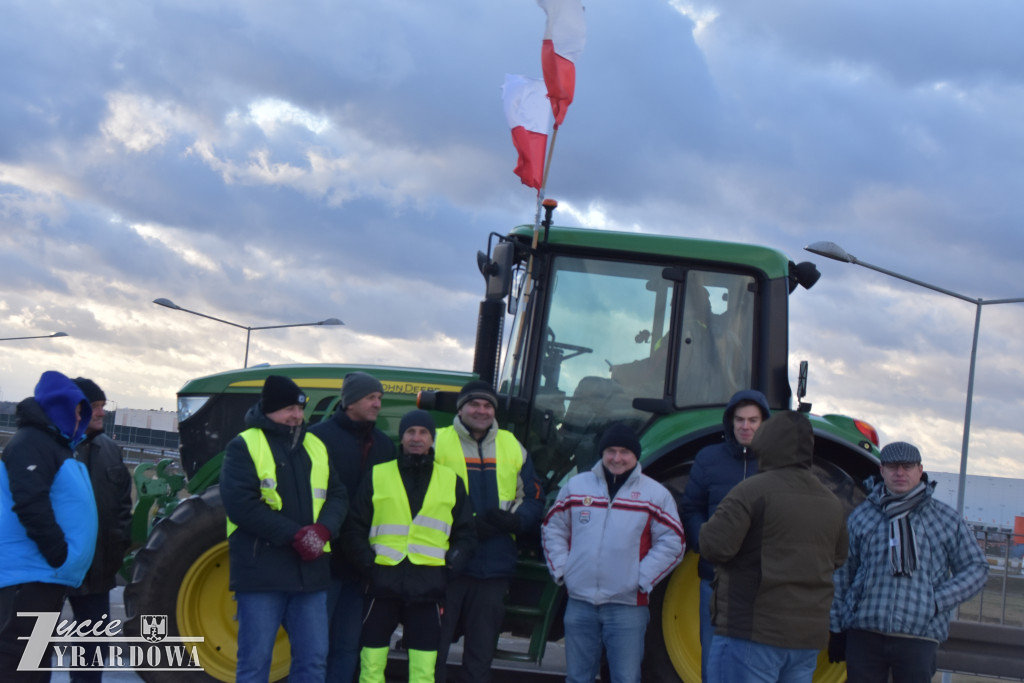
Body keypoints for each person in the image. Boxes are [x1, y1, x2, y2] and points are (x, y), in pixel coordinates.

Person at [700, 411, 847, 683]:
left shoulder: (751, 491)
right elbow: (838, 558)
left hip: (752, 632)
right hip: (806, 638)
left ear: (766, 443)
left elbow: (714, 546)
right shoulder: (832, 501)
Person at [221, 374, 347, 683]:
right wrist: (296, 535)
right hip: (262, 572)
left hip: (311, 575)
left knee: (313, 662)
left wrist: (324, 531)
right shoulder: (245, 445)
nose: (296, 416)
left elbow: (337, 494)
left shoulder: (315, 445)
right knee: (254, 664)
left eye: (300, 409)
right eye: (288, 408)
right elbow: (241, 505)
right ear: (268, 409)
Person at [829, 441, 988, 683]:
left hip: (919, 635)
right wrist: (837, 627)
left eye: (907, 466)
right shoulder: (863, 515)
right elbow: (842, 573)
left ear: (920, 470)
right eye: (892, 466)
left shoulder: (945, 519)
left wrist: (936, 601)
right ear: (882, 471)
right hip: (864, 632)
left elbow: (976, 568)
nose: (900, 473)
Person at [541, 423, 685, 683]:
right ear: (602, 452)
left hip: (627, 606)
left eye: (624, 452)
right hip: (580, 603)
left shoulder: (655, 494)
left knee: (626, 679)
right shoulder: (577, 487)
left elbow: (673, 541)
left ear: (635, 455)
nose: (617, 458)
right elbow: (553, 528)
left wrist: (641, 579)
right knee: (577, 677)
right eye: (611, 451)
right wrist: (564, 570)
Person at [343, 410, 476, 683]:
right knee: (371, 663)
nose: (416, 438)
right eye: (410, 432)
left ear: (432, 439)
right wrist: (368, 564)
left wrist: (450, 568)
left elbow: (466, 534)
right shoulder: (378, 475)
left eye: (423, 432)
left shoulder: (451, 481)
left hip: (429, 585)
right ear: (401, 437)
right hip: (382, 581)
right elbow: (354, 526)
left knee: (424, 668)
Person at [432, 380, 544, 683]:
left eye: (488, 405)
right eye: (474, 404)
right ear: (461, 408)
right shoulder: (436, 442)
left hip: (494, 567)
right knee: (432, 654)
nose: (481, 411)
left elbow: (533, 496)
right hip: (446, 565)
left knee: (481, 658)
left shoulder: (512, 445)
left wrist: (517, 522)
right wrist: (462, 529)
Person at [0, 371, 99, 681]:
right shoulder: (32, 443)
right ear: (60, 407)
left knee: (35, 663)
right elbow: (30, 502)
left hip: (44, 579)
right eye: (80, 409)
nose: (85, 416)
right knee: (21, 663)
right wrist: (58, 553)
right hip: (29, 578)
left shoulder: (54, 444)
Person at [309, 371, 395, 683]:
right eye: (371, 397)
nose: (377, 404)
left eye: (380, 399)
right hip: (324, 561)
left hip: (361, 565)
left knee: (347, 647)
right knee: (314, 647)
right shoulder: (318, 438)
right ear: (350, 402)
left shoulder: (384, 446)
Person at [679, 389, 769, 682]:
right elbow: (691, 507)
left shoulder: (777, 465)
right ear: (730, 422)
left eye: (753, 420)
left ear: (763, 423)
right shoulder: (708, 459)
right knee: (714, 659)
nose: (746, 426)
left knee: (756, 662)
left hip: (762, 582)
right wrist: (703, 542)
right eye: (740, 419)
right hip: (715, 579)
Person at [64, 378, 133, 683]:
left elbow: (122, 508)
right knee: (31, 649)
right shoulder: (47, 447)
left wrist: (117, 548)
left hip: (98, 570)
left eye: (103, 406)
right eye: (94, 406)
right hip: (50, 569)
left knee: (92, 651)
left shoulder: (110, 449)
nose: (102, 412)